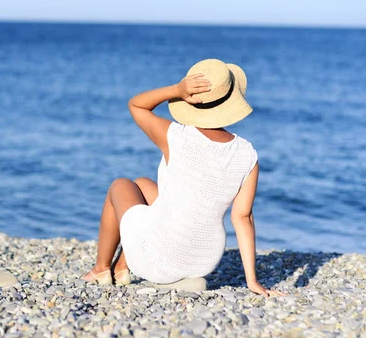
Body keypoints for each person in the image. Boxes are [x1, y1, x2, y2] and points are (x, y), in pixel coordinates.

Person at [81, 59, 284, 297]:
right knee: (144, 185)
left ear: (192, 100)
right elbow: (243, 217)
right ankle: (123, 266)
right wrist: (252, 281)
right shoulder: (247, 154)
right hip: (203, 261)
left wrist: (176, 90)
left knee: (121, 185)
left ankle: (102, 269)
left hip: (159, 259)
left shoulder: (176, 136)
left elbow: (136, 105)